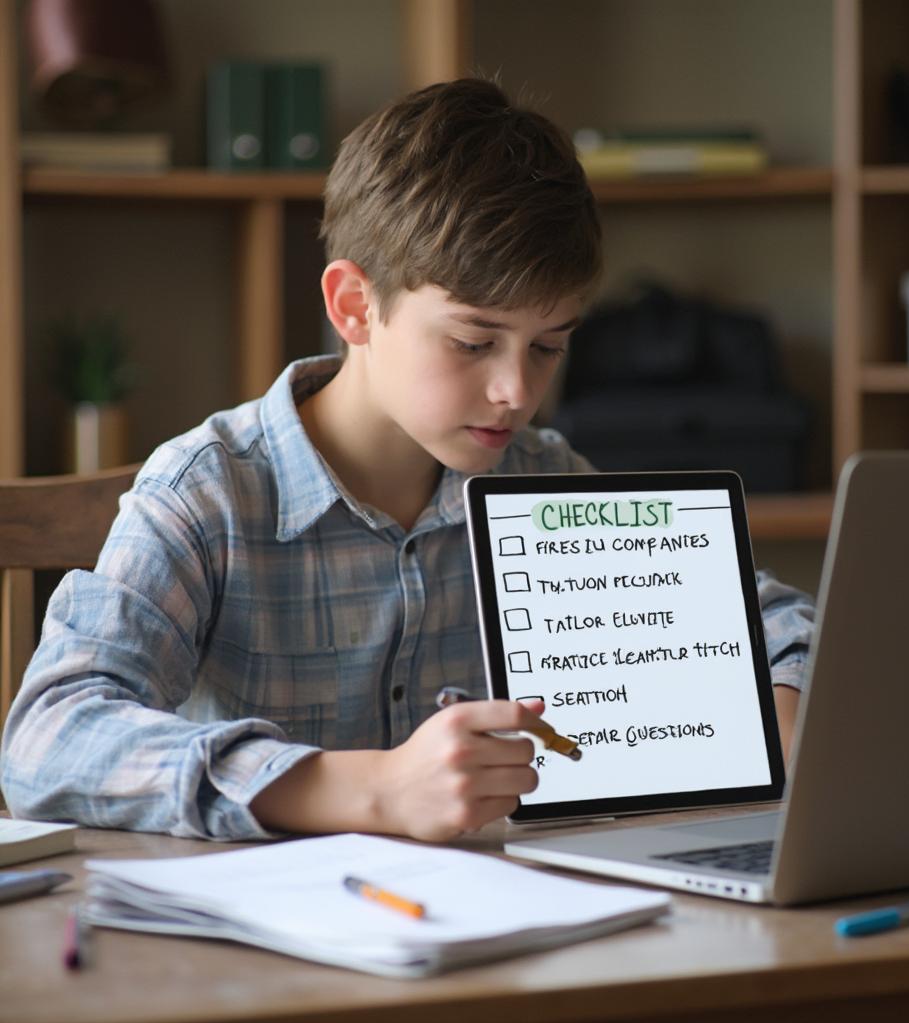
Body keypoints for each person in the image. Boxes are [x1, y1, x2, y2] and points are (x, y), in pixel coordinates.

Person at [0, 79, 813, 842]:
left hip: (504, 937)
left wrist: (773, 705)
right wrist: (369, 790)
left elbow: (781, 623)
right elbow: (49, 738)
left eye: (549, 348)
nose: (514, 392)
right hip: (275, 957)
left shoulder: (545, 479)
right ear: (355, 306)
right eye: (473, 341)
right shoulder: (209, 492)